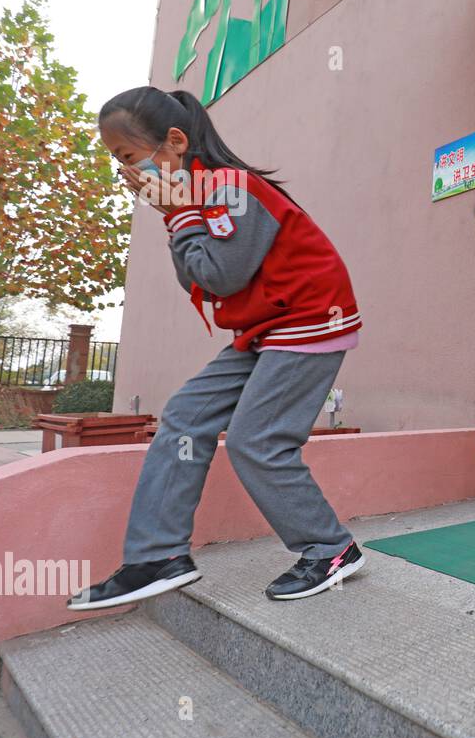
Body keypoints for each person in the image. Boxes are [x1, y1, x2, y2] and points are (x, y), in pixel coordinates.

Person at [70, 86, 365, 610]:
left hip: (308, 319)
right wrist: (177, 216)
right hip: (263, 328)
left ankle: (331, 549)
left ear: (175, 142)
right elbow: (199, 280)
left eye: (129, 158)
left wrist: (177, 216)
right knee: (185, 415)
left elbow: (220, 276)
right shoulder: (194, 194)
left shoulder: (228, 188)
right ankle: (157, 556)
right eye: (118, 163)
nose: (127, 175)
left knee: (257, 439)